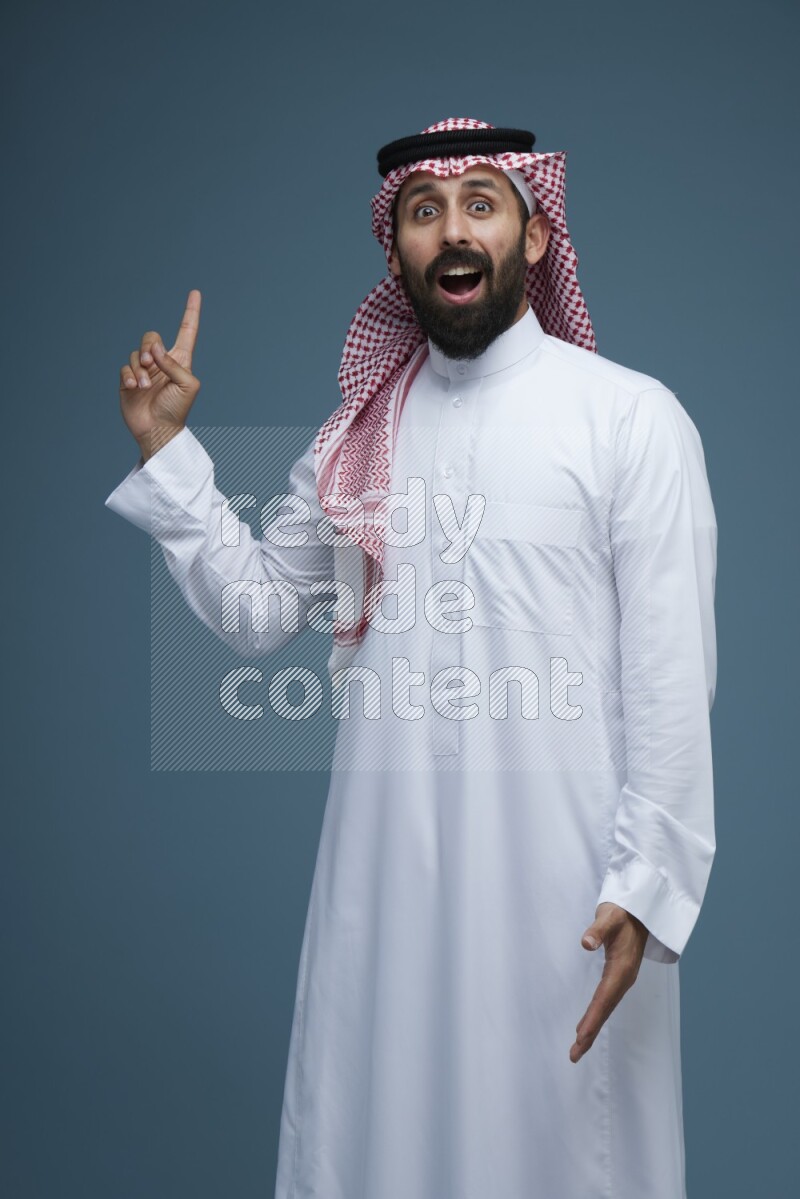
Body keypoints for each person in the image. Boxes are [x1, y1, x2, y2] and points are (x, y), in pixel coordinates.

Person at [105, 117, 718, 1198]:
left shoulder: (628, 419)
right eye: (423, 212)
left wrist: (647, 886)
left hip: (570, 894)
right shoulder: (355, 439)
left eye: (481, 202)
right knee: (378, 1144)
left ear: (533, 236)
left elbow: (672, 676)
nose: (452, 230)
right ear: (395, 255)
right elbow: (256, 611)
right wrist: (170, 454)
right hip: (385, 890)